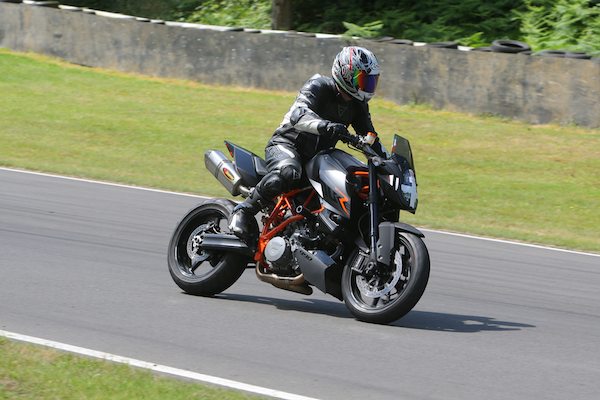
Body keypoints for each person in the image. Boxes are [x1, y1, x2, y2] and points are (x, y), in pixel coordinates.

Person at [229, 46, 382, 241]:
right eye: (363, 80)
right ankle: (244, 210)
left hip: (317, 160)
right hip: (287, 145)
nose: (367, 86)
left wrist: (386, 161)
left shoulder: (358, 106)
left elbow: (370, 138)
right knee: (288, 172)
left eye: (371, 81)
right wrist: (325, 126)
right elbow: (298, 114)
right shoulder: (319, 85)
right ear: (346, 74)